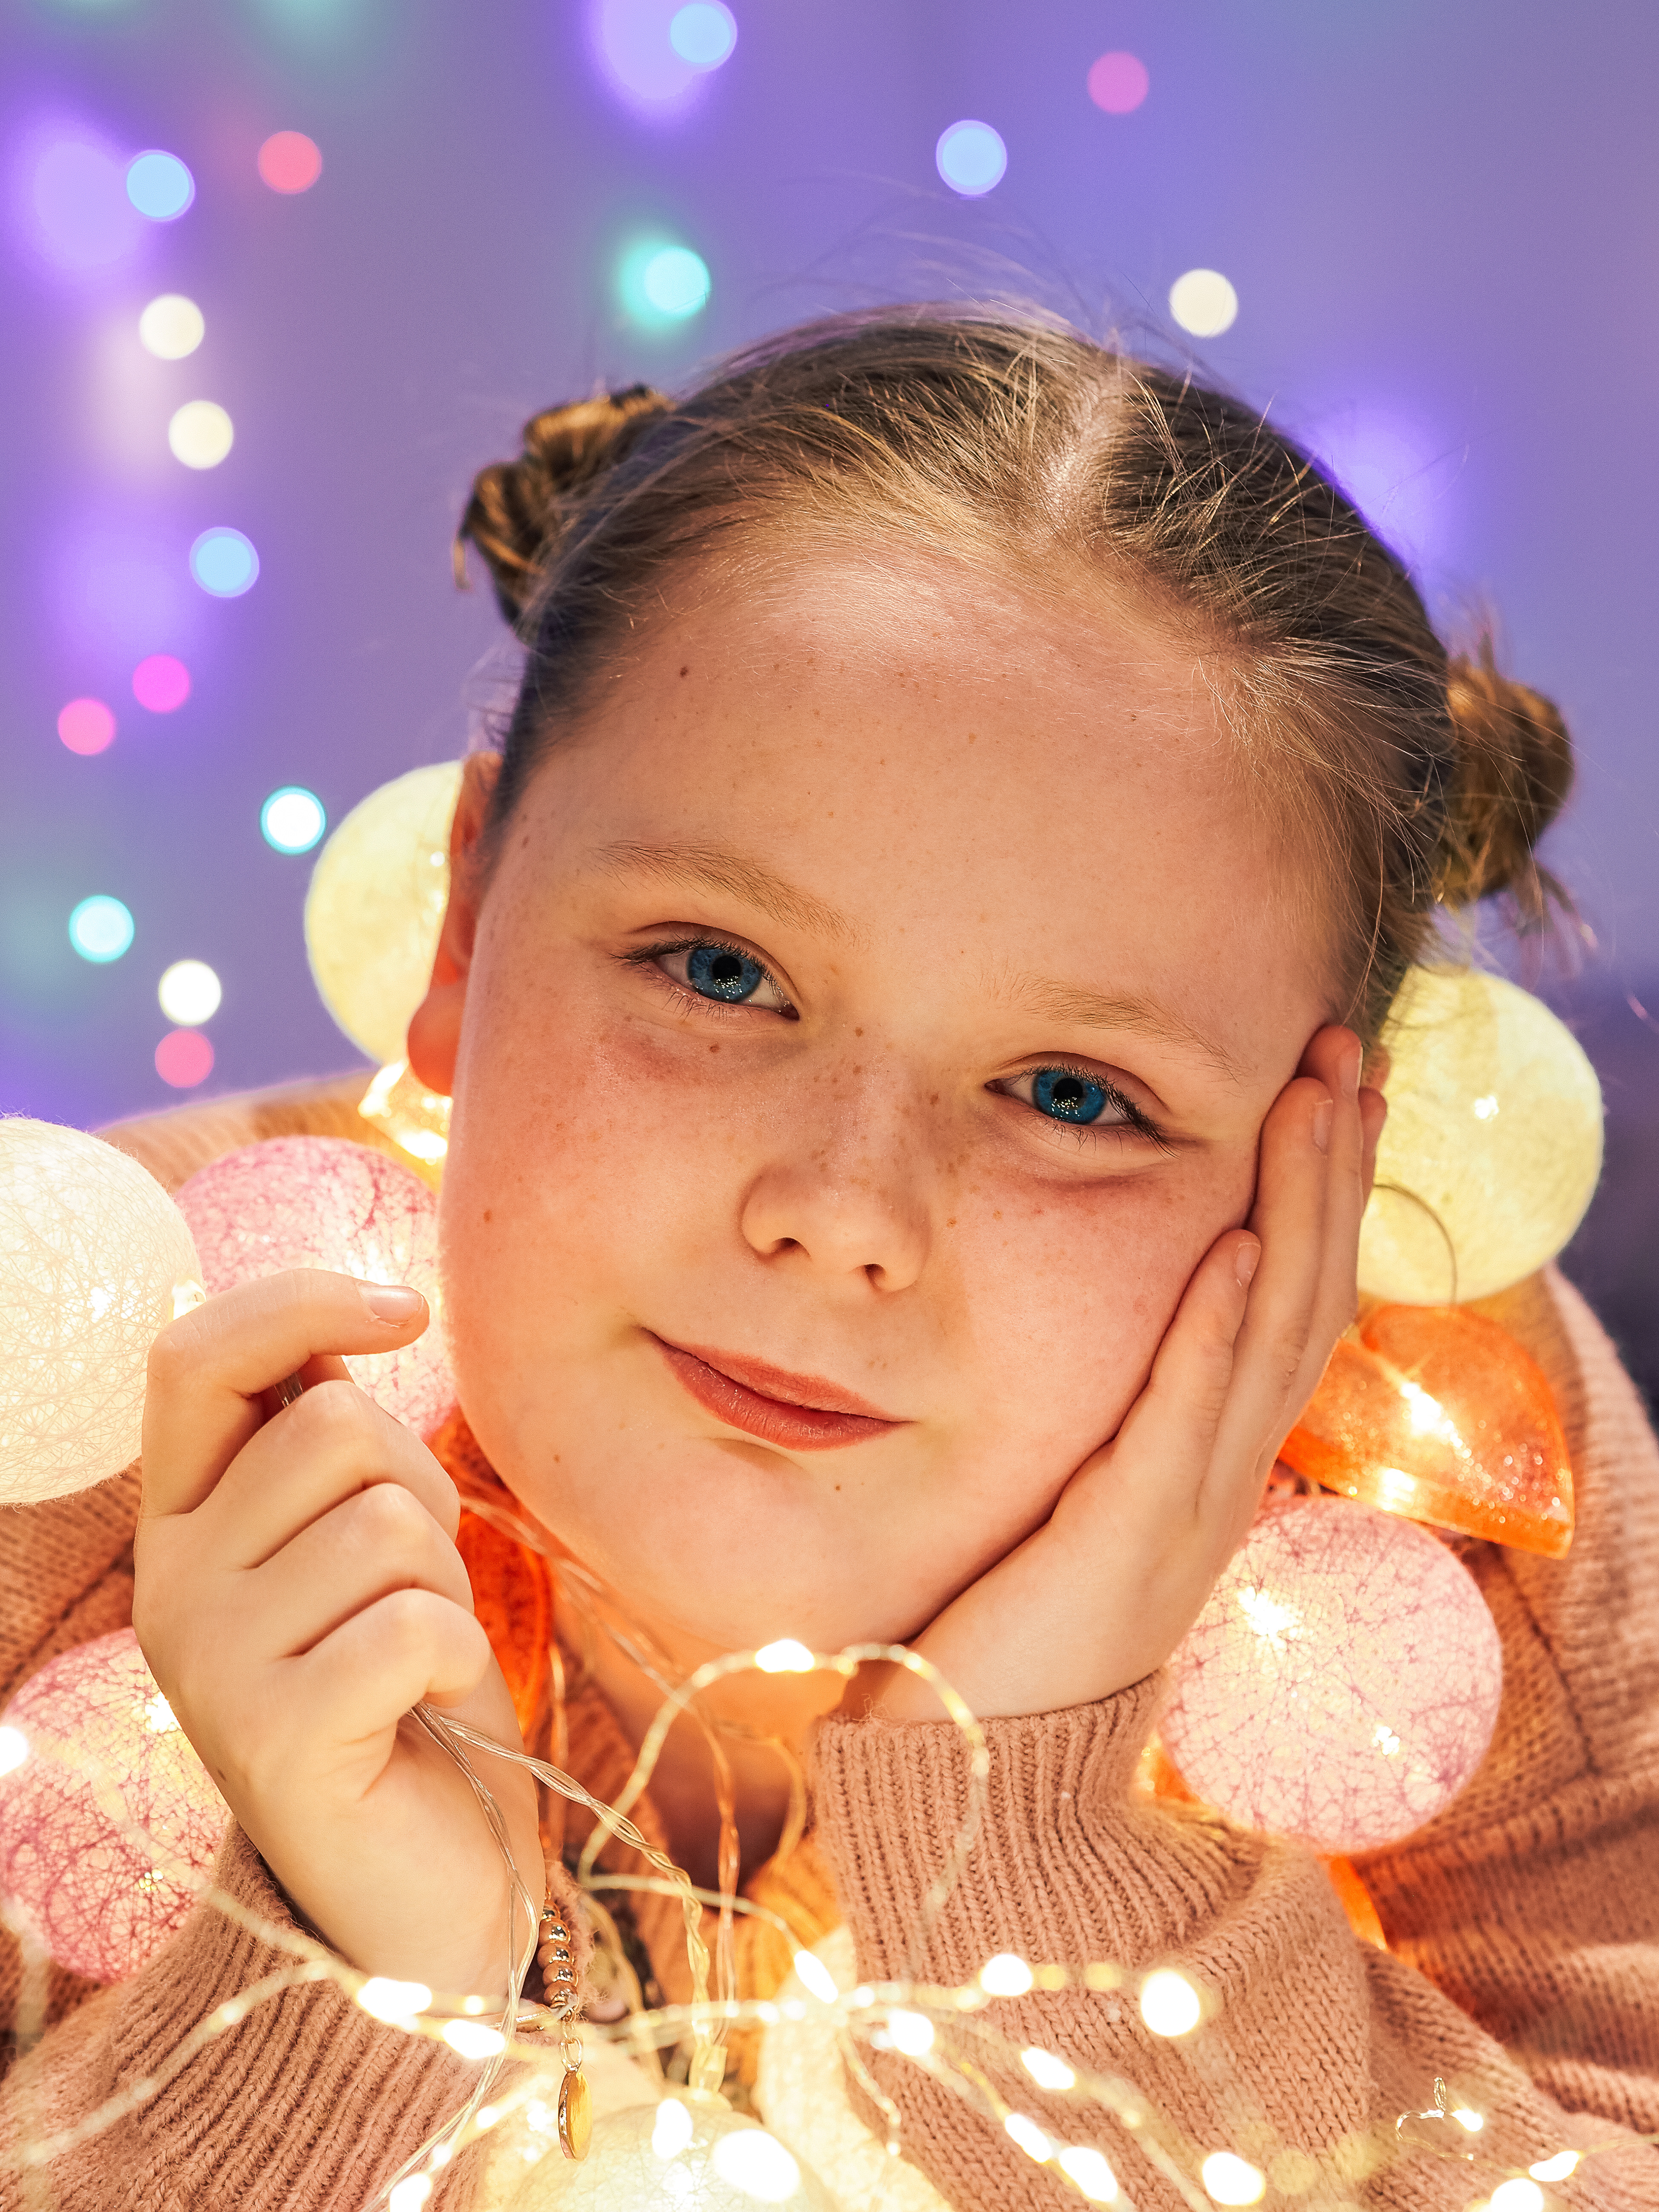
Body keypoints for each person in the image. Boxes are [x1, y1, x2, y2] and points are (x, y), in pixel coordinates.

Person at [2, 310, 1655, 2210]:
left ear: (1319, 1167)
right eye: (721, 970)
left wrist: (1037, 1842)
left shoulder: (1445, 1521)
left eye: (1068, 1090)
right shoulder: (75, 1396)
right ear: (461, 923)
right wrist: (334, 1981)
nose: (845, 1212)